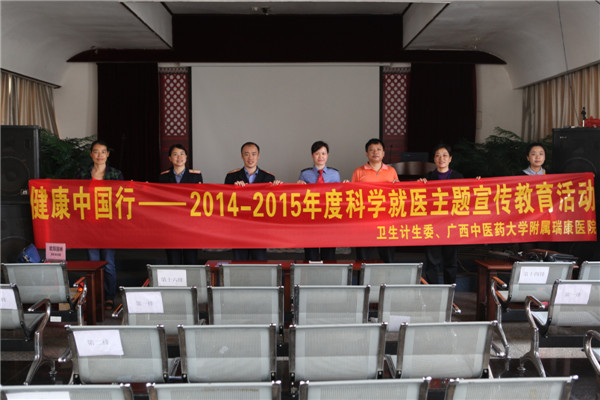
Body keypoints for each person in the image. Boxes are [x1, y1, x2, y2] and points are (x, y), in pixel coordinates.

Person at [77, 140, 123, 310]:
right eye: (96, 152)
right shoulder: (82, 174)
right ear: (91, 154)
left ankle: (109, 297)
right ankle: (96, 296)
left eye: (103, 152)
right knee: (92, 263)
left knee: (108, 263)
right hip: (89, 225)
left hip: (108, 226)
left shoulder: (116, 174)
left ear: (107, 154)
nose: (100, 155)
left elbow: (122, 199)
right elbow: (72, 195)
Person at [225, 142, 281, 260]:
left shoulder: (268, 177)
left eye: (253, 154)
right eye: (246, 154)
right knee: (239, 263)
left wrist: (278, 188)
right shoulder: (232, 177)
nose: (250, 157)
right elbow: (224, 202)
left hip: (259, 229)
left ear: (258, 156)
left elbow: (274, 204)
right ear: (242, 156)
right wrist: (233, 189)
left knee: (259, 263)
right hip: (239, 228)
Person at [419, 144, 464, 284]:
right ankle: (433, 291)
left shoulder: (458, 177)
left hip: (452, 224)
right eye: (437, 155)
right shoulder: (428, 178)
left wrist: (478, 182)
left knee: (451, 261)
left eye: (445, 155)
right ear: (434, 159)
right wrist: (419, 185)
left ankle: (450, 291)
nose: (441, 158)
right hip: (433, 225)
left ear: (450, 158)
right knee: (432, 261)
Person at [351, 138, 399, 262]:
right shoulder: (358, 172)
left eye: (378, 149)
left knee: (387, 258)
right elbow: (352, 196)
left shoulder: (391, 171)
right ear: (366, 154)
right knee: (364, 260)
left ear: (383, 153)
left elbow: (398, 194)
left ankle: (387, 276)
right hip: (365, 222)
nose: (375, 152)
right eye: (371, 150)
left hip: (386, 221)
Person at [297, 140, 342, 261]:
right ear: (312, 155)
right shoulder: (305, 174)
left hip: (329, 217)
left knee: (329, 254)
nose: (320, 157)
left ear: (327, 155)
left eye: (323, 153)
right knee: (311, 254)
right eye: (317, 153)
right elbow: (300, 197)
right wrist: (298, 186)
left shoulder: (335, 174)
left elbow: (339, 196)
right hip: (311, 218)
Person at [159, 144, 203, 264]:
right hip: (171, 224)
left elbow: (200, 199)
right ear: (170, 158)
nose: (179, 157)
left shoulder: (195, 176)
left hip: (190, 224)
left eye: (182, 154)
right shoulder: (163, 177)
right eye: (175, 154)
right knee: (173, 260)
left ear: (186, 157)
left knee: (191, 259)